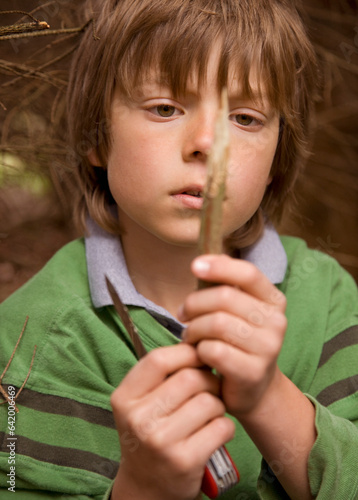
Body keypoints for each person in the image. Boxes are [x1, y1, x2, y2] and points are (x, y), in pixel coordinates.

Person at [0, 0, 357, 498]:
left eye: (246, 118)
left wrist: (268, 398)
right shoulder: (27, 342)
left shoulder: (327, 298)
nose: (207, 142)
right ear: (96, 138)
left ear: (278, 158)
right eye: (165, 108)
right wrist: (144, 487)